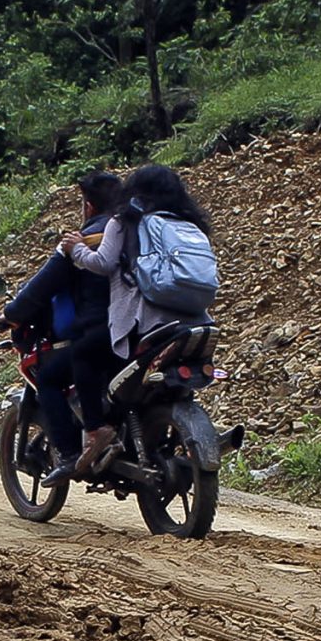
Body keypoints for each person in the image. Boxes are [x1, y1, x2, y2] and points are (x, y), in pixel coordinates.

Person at [58, 162, 216, 475]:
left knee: (84, 353)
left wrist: (75, 249)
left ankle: (95, 431)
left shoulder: (125, 219)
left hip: (142, 322)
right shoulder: (190, 224)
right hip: (196, 321)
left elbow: (102, 262)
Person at [0, 171, 122, 483]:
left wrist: (9, 315)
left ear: (89, 206)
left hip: (101, 331)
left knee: (51, 378)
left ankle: (68, 454)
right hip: (142, 329)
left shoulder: (83, 240)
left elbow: (40, 288)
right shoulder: (137, 233)